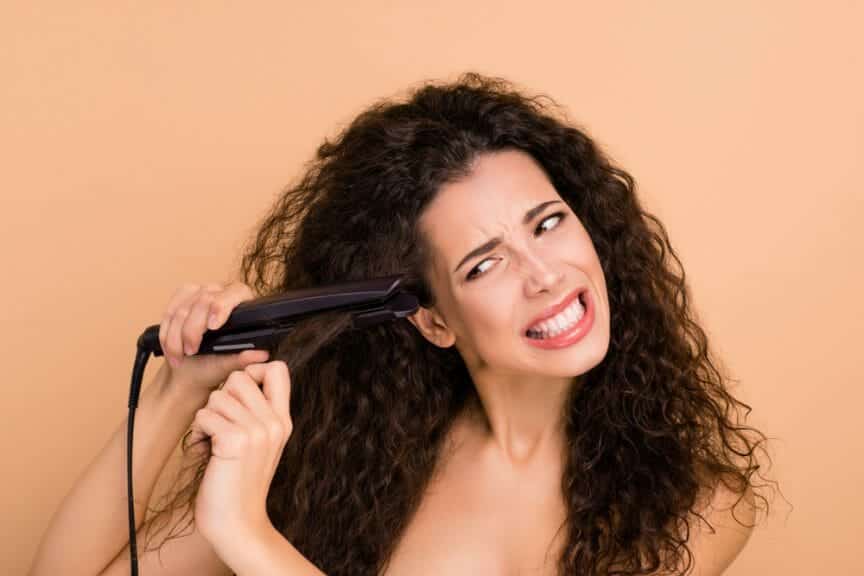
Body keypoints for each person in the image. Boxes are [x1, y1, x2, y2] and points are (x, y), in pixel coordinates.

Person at [29, 72, 778, 576]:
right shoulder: (347, 467)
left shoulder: (697, 505)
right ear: (431, 320)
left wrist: (248, 537)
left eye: (548, 223)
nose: (545, 274)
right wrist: (175, 392)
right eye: (483, 265)